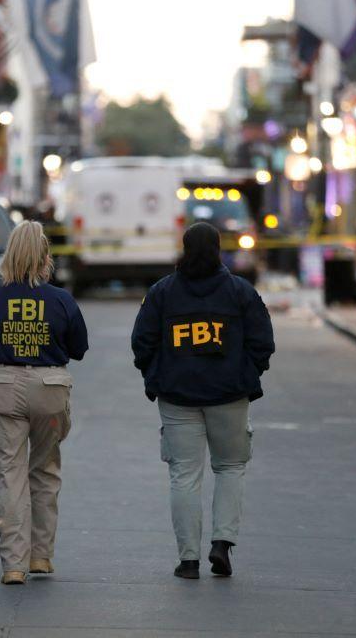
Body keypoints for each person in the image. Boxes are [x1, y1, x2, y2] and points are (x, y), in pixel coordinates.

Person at [131, 222, 274, 580]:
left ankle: (189, 559)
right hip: (229, 397)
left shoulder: (163, 293)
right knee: (229, 468)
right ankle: (222, 544)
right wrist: (244, 375)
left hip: (177, 397)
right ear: (218, 250)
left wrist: (157, 376)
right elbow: (262, 342)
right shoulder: (240, 292)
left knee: (184, 475)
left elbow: (142, 342)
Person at [0, 221, 89, 585]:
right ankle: (41, 558)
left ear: (9, 256)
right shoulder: (61, 300)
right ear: (46, 258)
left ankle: (13, 565)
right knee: (45, 471)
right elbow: (78, 348)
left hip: (4, 387)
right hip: (49, 389)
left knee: (10, 474)